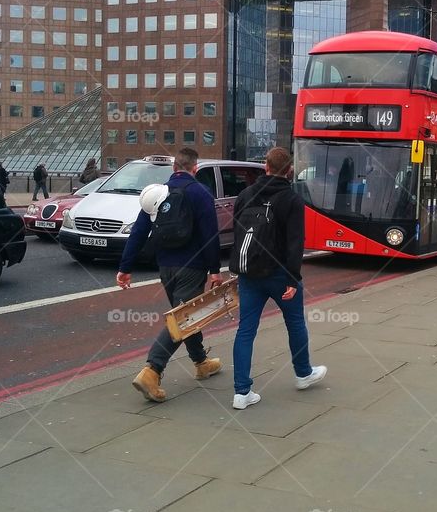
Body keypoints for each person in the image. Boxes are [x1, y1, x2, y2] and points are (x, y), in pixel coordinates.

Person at [117, 148, 223, 402]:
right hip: (193, 267)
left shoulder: (158, 193)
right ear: (194, 168)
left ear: (174, 168)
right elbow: (210, 236)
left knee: (185, 313)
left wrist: (125, 267)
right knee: (183, 319)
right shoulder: (200, 193)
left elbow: (139, 231)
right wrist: (215, 271)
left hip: (165, 266)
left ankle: (201, 362)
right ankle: (152, 370)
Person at [230, 146, 326, 410]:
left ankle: (241, 392)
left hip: (249, 274)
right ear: (290, 171)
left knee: (245, 331)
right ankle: (303, 373)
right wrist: (293, 280)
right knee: (294, 323)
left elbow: (237, 235)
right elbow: (296, 244)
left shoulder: (245, 195)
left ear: (265, 166)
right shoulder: (292, 200)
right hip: (280, 274)